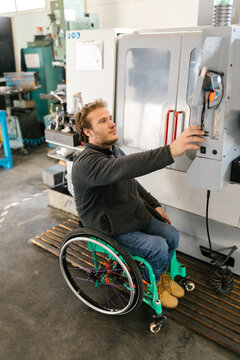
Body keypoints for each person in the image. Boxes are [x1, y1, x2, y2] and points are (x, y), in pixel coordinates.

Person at [72, 99, 205, 308]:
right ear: (88, 132)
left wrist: (154, 204)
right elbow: (129, 167)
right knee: (158, 247)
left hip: (130, 216)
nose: (111, 123)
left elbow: (131, 181)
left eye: (110, 119)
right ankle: (150, 283)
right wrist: (170, 150)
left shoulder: (114, 151)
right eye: (103, 121)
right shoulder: (86, 163)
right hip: (109, 227)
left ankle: (159, 276)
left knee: (172, 234)